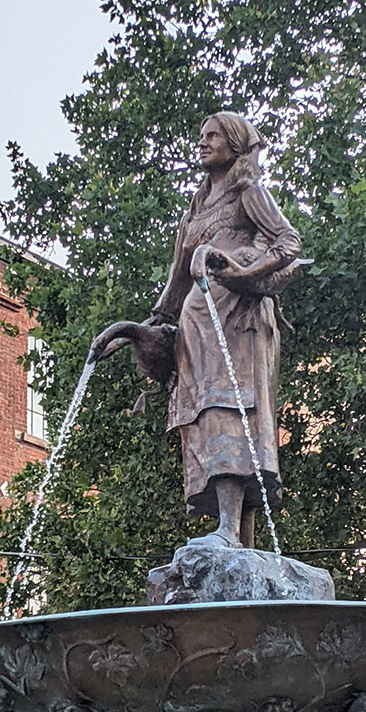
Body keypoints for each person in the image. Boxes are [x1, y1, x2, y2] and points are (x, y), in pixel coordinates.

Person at [92, 112, 304, 548]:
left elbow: (288, 242)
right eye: (201, 136)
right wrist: (136, 330)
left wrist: (244, 271)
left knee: (229, 410)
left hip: (237, 320)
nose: (203, 143)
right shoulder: (197, 207)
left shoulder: (249, 193)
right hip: (197, 329)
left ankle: (229, 530)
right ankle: (237, 541)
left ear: (235, 145)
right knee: (203, 416)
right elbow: (176, 282)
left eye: (213, 136)